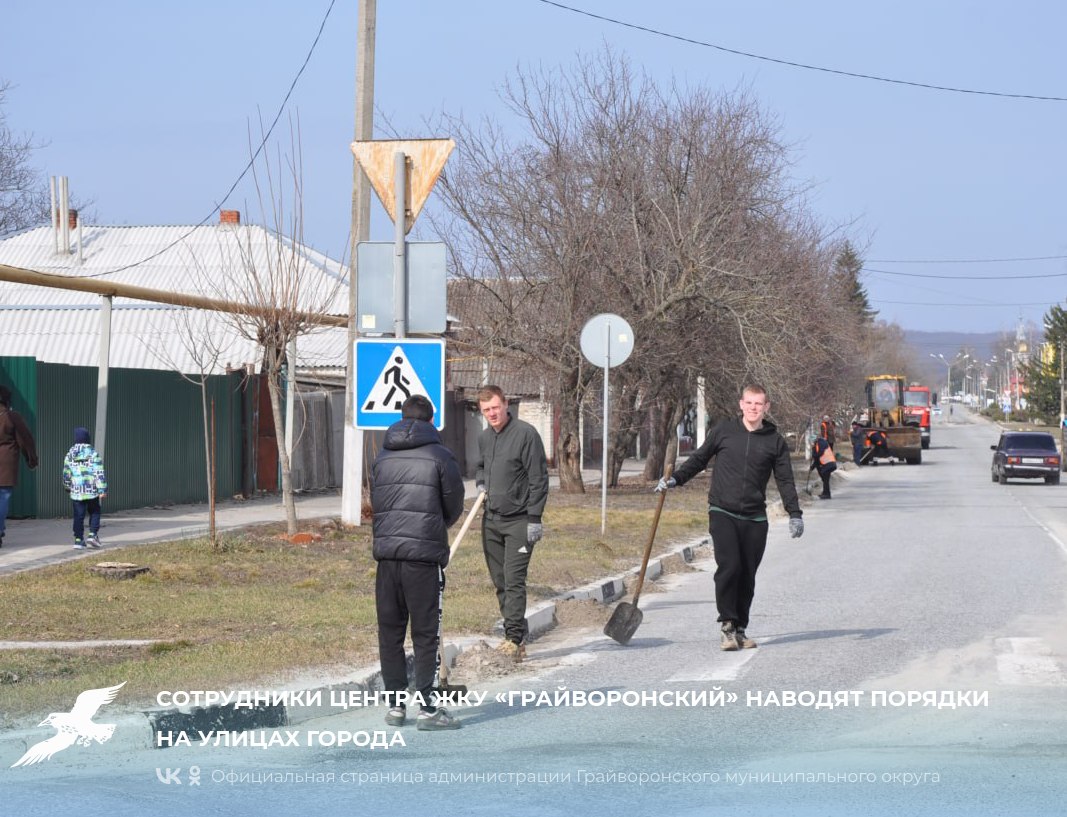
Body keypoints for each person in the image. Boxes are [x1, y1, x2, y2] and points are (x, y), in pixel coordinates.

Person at [655, 384, 803, 651]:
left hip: (755, 517)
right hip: (722, 510)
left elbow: (785, 479)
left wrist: (795, 514)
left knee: (747, 574)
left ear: (766, 407)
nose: (753, 408)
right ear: (741, 404)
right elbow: (699, 459)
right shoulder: (724, 431)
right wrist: (676, 479)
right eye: (749, 403)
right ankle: (727, 625)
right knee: (730, 566)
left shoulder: (775, 441)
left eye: (758, 404)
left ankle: (740, 628)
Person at [371, 395, 465, 731]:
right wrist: (434, 527)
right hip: (423, 561)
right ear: (431, 419)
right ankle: (428, 709)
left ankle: (396, 707)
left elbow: (377, 502)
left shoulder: (382, 457)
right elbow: (453, 504)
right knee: (426, 635)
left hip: (387, 558)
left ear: (401, 417)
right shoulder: (440, 456)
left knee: (390, 634)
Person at [474, 385, 549, 662]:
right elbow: (481, 466)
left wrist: (534, 518)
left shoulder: (526, 434)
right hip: (491, 520)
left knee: (514, 579)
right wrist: (480, 482)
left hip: (519, 521)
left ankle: (514, 639)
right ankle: (516, 634)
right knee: (500, 580)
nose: (492, 413)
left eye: (495, 407)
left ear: (506, 404)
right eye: (486, 410)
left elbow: (538, 479)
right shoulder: (484, 438)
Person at [0, 385, 39, 549]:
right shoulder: (12, 416)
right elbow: (25, 439)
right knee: (3, 497)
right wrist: (32, 460)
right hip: (6, 463)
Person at [62, 427, 108, 549]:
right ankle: (92, 535)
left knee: (78, 516)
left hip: (76, 491)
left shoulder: (69, 455)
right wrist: (102, 489)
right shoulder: (93, 454)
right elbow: (99, 472)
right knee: (95, 511)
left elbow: (66, 473)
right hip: (91, 490)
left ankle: (78, 540)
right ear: (88, 439)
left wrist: (67, 486)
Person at [809, 432, 837, 499]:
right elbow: (817, 460)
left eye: (812, 441)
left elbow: (819, 453)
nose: (811, 443)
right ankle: (825, 493)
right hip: (827, 464)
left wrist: (813, 452)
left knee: (825, 478)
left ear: (815, 439)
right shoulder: (817, 444)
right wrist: (812, 467)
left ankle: (827, 494)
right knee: (824, 479)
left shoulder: (821, 442)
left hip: (829, 463)